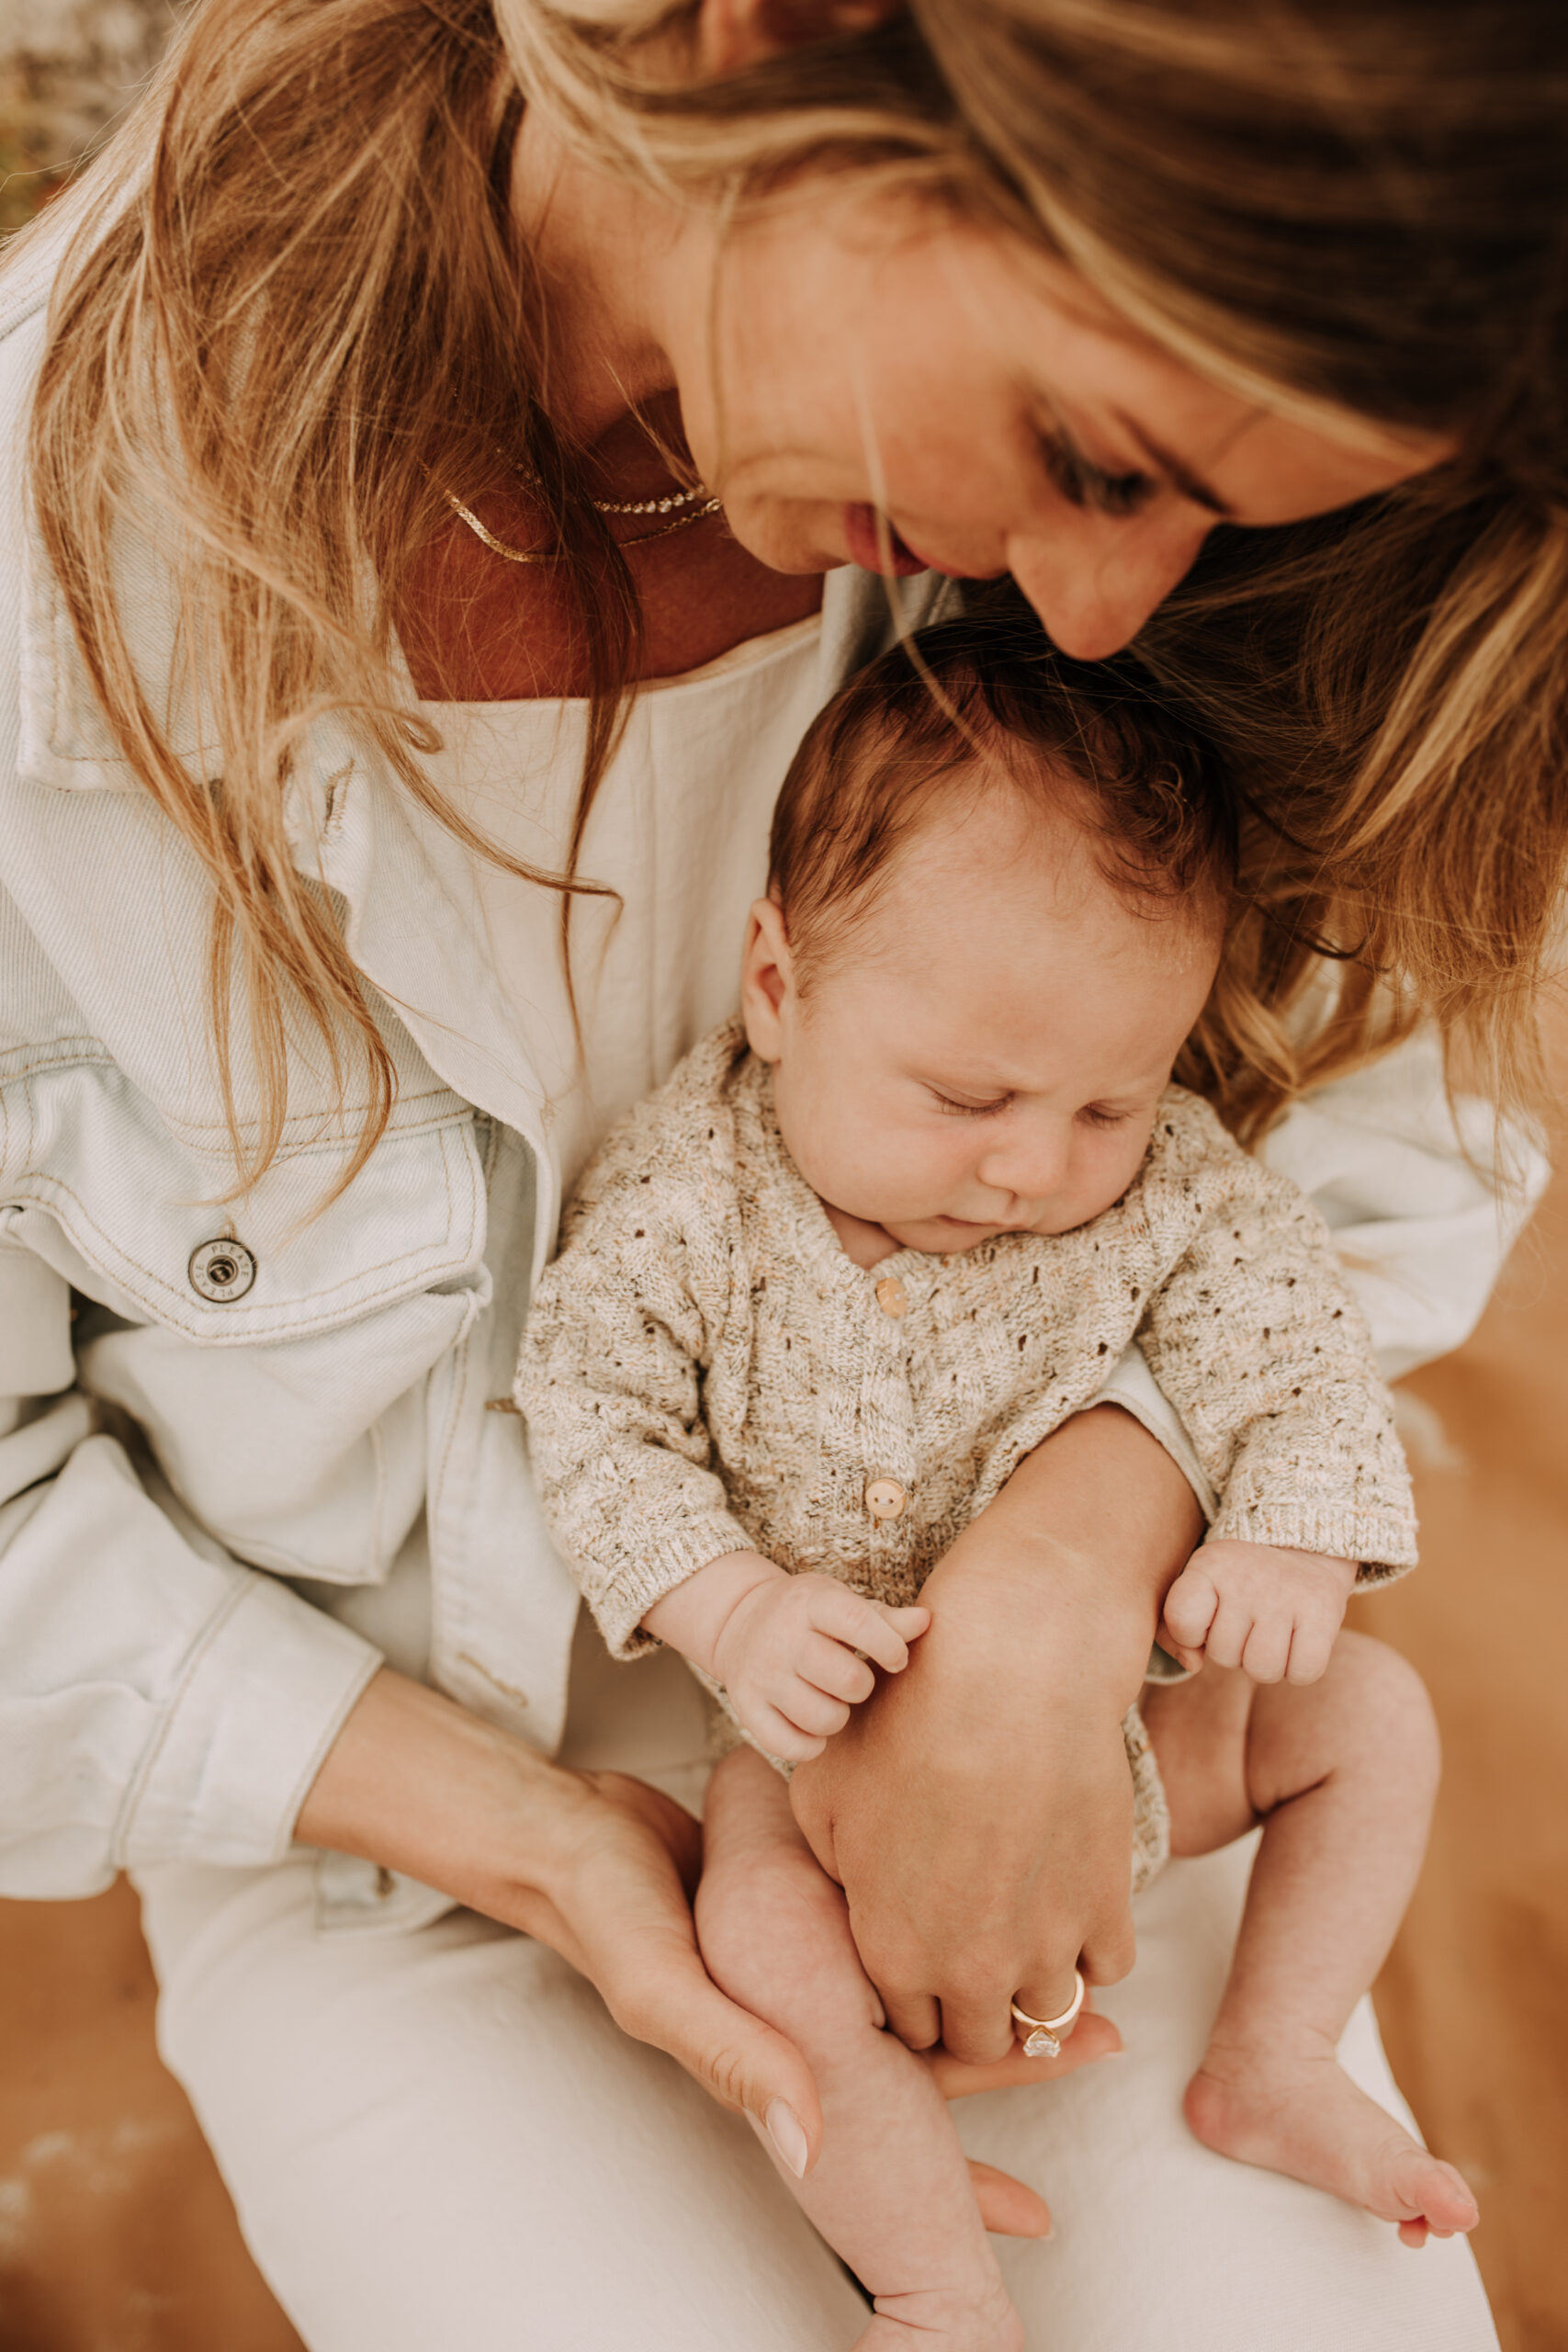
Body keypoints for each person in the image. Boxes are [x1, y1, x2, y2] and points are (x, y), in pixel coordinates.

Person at [2, 0, 1563, 2341]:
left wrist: (1055, 1584)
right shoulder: (49, 605)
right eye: (1085, 448)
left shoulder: (1204, 514)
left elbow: (1375, 1140)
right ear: (764, 31)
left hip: (1084, 1708)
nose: (1113, 615)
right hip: (404, 1819)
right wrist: (545, 1839)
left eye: (1204, 499)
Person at [516, 623, 1476, 2347]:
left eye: (1111, 1100)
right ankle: (936, 2283)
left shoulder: (1171, 1187)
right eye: (970, 1094)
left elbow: (1292, 1340)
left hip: (1129, 1728)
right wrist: (733, 1610)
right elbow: (590, 1412)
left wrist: (1290, 1531)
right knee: (762, 1945)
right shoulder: (686, 1194)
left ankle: (1271, 2056)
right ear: (778, 985)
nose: (1038, 1167)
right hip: (808, 1759)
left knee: (1376, 1721)